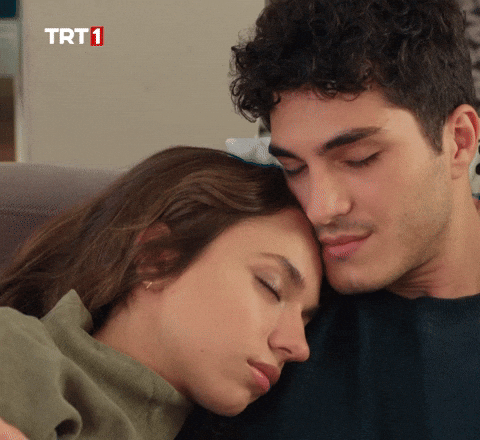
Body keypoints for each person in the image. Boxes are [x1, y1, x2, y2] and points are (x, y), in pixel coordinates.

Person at [174, 0, 480, 439]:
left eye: (359, 159)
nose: (319, 208)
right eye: (294, 168)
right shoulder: (260, 320)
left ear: (460, 141)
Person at [0, 146, 322, 440]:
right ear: (157, 258)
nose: (299, 346)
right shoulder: (18, 352)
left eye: (306, 321)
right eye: (271, 287)